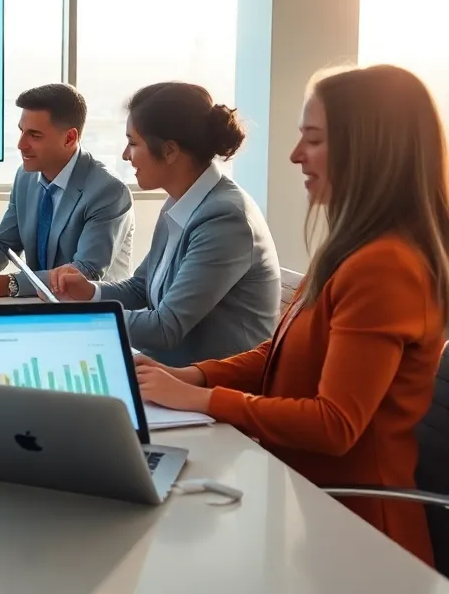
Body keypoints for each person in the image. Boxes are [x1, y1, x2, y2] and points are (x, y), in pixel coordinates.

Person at [134, 65, 449, 565]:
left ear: (368, 148)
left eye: (314, 140)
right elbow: (276, 354)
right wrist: (188, 376)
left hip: (359, 536)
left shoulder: (385, 265)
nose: (295, 155)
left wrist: (205, 397)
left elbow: (333, 423)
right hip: (306, 501)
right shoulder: (352, 248)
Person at [51, 82, 280, 365]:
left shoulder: (225, 219)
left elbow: (165, 328)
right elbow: (140, 287)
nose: (126, 154)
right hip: (172, 375)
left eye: (133, 143)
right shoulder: (181, 201)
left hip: (211, 393)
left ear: (170, 151)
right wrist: (91, 292)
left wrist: (83, 317)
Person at [0, 84, 133, 299]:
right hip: (38, 309)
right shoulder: (26, 176)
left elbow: (86, 271)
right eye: (22, 131)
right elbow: (4, 242)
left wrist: (7, 284)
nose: (21, 145)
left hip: (92, 317)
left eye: (35, 135)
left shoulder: (108, 190)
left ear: (69, 138)